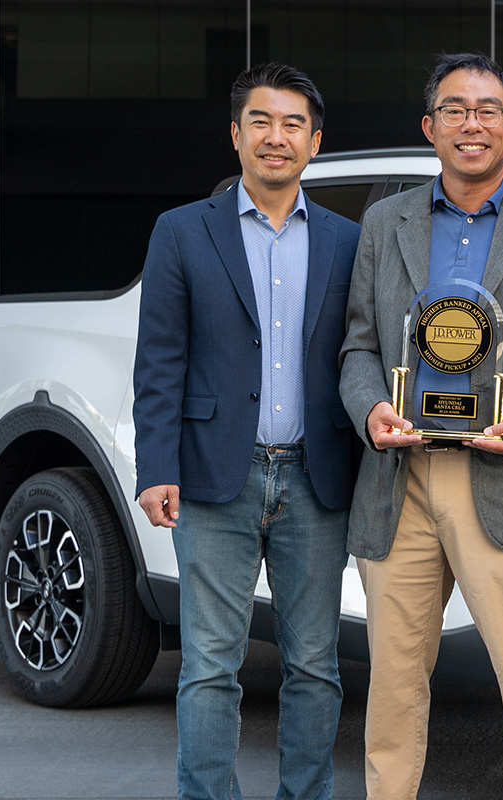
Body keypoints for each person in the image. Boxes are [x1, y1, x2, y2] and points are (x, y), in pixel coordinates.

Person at [337, 52, 503, 800]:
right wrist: (370, 410)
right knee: (392, 689)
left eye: (486, 110)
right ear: (429, 126)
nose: (469, 123)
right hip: (399, 479)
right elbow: (358, 344)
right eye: (453, 109)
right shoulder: (386, 223)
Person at [131, 63, 362, 800]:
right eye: (260, 121)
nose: (276, 137)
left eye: (293, 124)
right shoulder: (181, 232)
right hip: (210, 476)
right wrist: (155, 466)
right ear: (235, 136)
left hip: (316, 476)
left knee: (314, 667)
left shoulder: (345, 240)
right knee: (208, 665)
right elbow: (160, 361)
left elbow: (363, 354)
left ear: (315, 142)